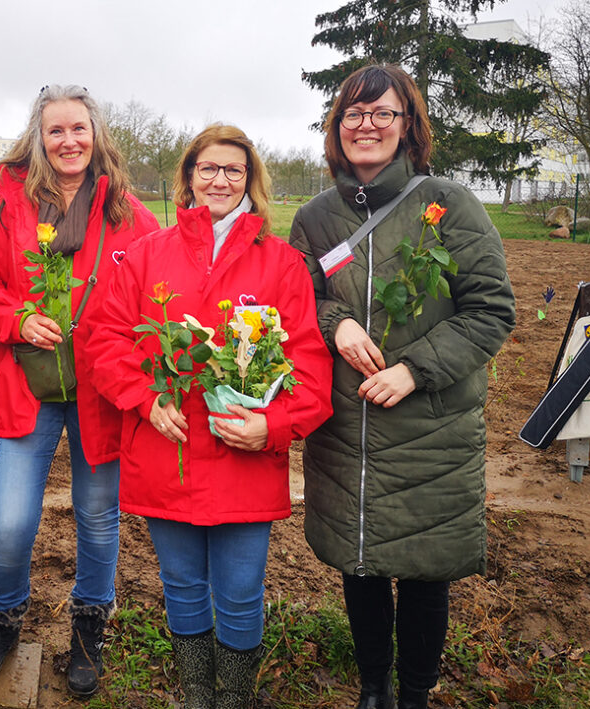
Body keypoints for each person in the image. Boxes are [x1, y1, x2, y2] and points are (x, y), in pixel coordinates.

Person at [289, 64, 516, 709]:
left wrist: (415, 367)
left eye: (382, 113)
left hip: (430, 428)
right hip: (347, 423)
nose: (367, 126)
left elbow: (491, 310)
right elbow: (296, 299)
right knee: (358, 564)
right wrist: (335, 323)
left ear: (407, 126)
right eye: (354, 115)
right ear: (338, 128)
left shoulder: (447, 205)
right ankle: (373, 689)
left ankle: (414, 693)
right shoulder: (316, 217)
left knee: (423, 571)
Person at [87, 124, 334, 709]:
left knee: (242, 590)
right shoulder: (148, 255)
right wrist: (146, 400)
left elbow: (310, 369)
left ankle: (236, 697)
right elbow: (104, 340)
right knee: (182, 586)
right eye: (209, 169)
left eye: (234, 171)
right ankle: (198, 694)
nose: (220, 180)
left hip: (244, 458)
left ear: (250, 181)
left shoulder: (280, 263)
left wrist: (271, 427)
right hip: (164, 452)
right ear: (189, 178)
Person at [0, 84, 159, 698]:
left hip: (101, 391)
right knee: (12, 520)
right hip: (25, 385)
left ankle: (91, 622)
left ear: (97, 136)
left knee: (98, 517)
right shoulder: (11, 207)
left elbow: (153, 295)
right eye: (55, 131)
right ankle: (4, 618)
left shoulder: (129, 214)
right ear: (39, 140)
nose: (69, 141)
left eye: (78, 129)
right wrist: (16, 320)